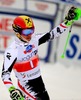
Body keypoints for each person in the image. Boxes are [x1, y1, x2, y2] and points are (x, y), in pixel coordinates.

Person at [1, 7, 80, 100]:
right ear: (17, 32)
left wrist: (68, 21)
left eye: (31, 30)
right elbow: (5, 74)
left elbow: (53, 34)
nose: (29, 35)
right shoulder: (12, 50)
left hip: (39, 83)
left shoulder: (34, 39)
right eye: (26, 31)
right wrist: (12, 90)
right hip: (26, 85)